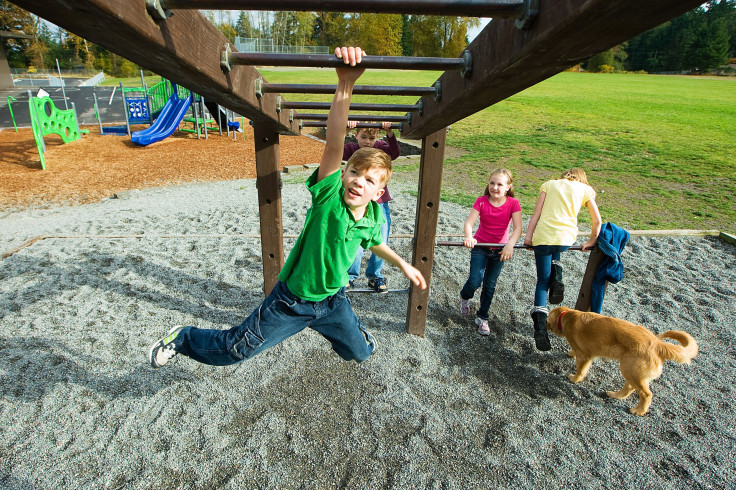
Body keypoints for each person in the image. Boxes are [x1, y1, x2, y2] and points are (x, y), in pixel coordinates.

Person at [148, 47, 427, 369]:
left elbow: (371, 242)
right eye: (354, 173)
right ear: (343, 175)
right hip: (291, 302)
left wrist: (403, 265)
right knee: (235, 350)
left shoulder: (373, 215)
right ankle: (182, 337)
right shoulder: (328, 198)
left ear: (379, 192)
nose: (358, 182)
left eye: (368, 180)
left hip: (333, 301)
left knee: (361, 352)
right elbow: (335, 140)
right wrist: (345, 85)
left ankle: (355, 337)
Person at [523, 168, 601, 351]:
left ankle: (540, 325)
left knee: (542, 282)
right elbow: (597, 220)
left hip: (543, 237)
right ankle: (557, 277)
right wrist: (591, 241)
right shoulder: (585, 190)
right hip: (565, 239)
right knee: (556, 248)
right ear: (582, 179)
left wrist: (528, 237)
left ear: (564, 176)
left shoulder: (549, 185)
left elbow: (536, 214)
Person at [458, 169, 522, 335]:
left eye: (500, 184)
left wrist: (510, 245)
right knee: (475, 280)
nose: (495, 187)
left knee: (490, 285)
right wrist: (468, 237)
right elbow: (469, 223)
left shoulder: (513, 203)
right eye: (492, 183)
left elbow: (518, 228)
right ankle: (465, 297)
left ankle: (482, 317)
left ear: (508, 187)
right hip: (480, 247)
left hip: (500, 250)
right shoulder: (481, 201)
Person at [344, 121, 400, 293]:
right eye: (363, 137)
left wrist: (390, 133)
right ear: (356, 135)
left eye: (371, 138)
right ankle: (350, 275)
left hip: (379, 200)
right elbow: (335, 149)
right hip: (358, 201)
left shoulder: (380, 147)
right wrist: (344, 130)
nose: (367, 142)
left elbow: (395, 153)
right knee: (355, 236)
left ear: (377, 137)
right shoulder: (352, 148)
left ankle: (375, 274)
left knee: (381, 237)